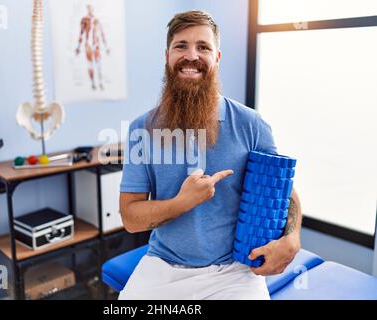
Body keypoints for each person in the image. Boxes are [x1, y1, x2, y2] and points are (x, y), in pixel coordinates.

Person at [118, 10, 302, 300]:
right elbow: (130, 217)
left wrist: (292, 238)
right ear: (167, 56)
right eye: (181, 46)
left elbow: (285, 193)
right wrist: (182, 202)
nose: (191, 55)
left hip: (232, 273)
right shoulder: (142, 129)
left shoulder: (251, 124)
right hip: (163, 269)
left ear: (217, 58)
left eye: (203, 47)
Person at [75, 4, 110, 91]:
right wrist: (78, 47)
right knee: (90, 65)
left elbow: (102, 33)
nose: (90, 10)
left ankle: (100, 83)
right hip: (88, 45)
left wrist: (106, 47)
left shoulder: (96, 20)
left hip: (96, 44)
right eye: (89, 9)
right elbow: (81, 33)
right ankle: (93, 83)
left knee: (98, 64)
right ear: (87, 9)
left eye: (91, 9)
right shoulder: (84, 20)